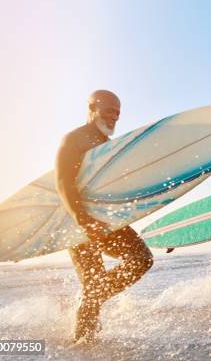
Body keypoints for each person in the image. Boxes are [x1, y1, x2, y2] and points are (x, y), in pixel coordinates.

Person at [55, 90, 153, 344]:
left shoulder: (109, 146)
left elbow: (116, 193)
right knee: (93, 282)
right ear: (92, 106)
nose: (115, 117)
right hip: (79, 224)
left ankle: (90, 300)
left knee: (142, 259)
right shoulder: (74, 139)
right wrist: (81, 219)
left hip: (108, 220)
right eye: (110, 110)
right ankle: (83, 344)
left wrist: (154, 229)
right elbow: (63, 182)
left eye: (118, 113)